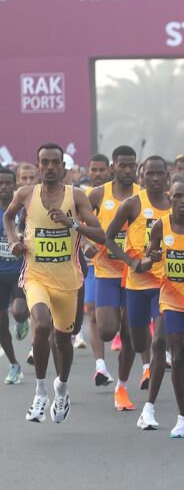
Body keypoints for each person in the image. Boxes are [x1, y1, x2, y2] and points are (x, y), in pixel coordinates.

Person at [4, 142, 105, 423]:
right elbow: (8, 217)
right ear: (38, 167)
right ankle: (40, 392)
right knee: (41, 325)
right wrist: (13, 241)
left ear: (63, 167)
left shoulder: (76, 197)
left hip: (67, 280)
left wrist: (72, 224)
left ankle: (61, 386)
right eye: (44, 163)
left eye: (54, 163)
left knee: (63, 340)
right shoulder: (26, 194)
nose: (49, 167)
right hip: (35, 276)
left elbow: (100, 234)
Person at [139, 182, 184, 435]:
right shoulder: (160, 225)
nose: (182, 201)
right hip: (171, 298)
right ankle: (183, 416)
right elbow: (148, 256)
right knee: (177, 357)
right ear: (171, 199)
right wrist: (151, 258)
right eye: (178, 196)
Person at [105, 156, 170, 394]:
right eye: (150, 174)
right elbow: (108, 238)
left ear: (167, 176)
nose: (155, 178)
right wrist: (132, 262)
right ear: (142, 177)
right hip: (137, 284)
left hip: (166, 285)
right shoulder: (132, 205)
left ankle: (150, 402)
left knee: (160, 341)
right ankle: (121, 387)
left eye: (159, 173)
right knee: (136, 342)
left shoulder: (176, 204)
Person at [88, 145, 140, 410]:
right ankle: (103, 364)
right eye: (123, 165)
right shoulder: (98, 194)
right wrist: (87, 245)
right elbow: (79, 223)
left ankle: (121, 386)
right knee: (107, 330)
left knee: (130, 334)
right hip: (107, 272)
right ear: (113, 168)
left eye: (132, 165)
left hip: (135, 276)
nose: (128, 170)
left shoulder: (143, 195)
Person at [80, 154, 114, 383]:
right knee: (91, 311)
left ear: (109, 170)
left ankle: (142, 367)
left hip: (121, 265)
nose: (98, 174)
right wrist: (85, 244)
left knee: (122, 321)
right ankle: (100, 366)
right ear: (89, 171)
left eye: (102, 170)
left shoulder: (123, 195)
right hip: (94, 265)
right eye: (94, 169)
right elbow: (74, 228)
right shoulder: (84, 198)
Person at [0, 167, 29, 384]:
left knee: (18, 312)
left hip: (20, 270)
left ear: (15, 184)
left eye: (8, 183)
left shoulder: (23, 209)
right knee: (1, 324)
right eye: (0, 183)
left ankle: (22, 320)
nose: (4, 187)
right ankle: (14, 365)